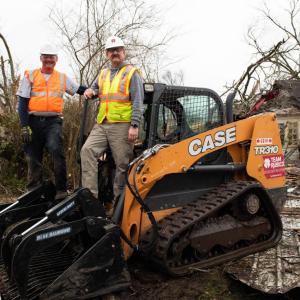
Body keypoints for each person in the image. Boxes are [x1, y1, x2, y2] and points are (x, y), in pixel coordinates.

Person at [17, 44, 87, 200]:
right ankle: (33, 190)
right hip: (33, 121)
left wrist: (93, 90)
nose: (49, 60)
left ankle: (61, 190)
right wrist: (24, 126)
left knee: (56, 150)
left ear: (56, 59)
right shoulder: (30, 75)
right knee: (33, 156)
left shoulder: (61, 77)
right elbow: (22, 102)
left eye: (52, 57)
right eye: (46, 56)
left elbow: (78, 89)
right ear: (41, 58)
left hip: (53, 122)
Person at [81, 35, 144, 207]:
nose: (114, 53)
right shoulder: (103, 74)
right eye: (111, 51)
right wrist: (90, 91)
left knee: (122, 165)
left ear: (123, 52)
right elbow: (94, 88)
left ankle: (118, 207)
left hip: (122, 126)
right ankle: (91, 202)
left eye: (117, 50)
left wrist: (134, 125)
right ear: (106, 54)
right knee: (87, 151)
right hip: (102, 123)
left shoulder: (132, 73)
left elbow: (138, 100)